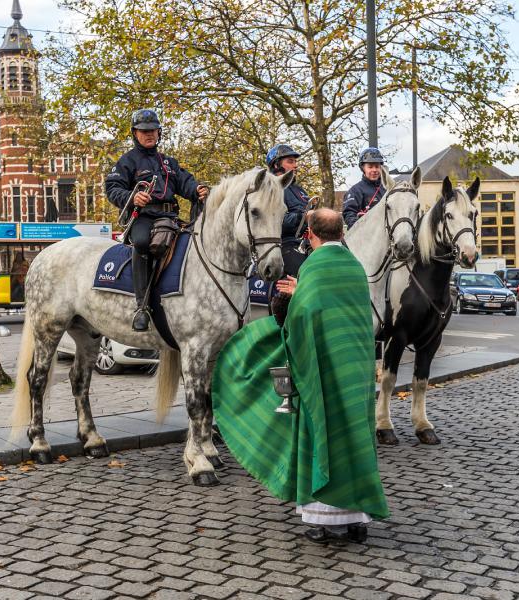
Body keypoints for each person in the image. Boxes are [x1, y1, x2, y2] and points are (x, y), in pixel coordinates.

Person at [212, 208, 388, 546]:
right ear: (342, 232)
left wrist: (296, 297)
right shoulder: (354, 267)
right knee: (354, 438)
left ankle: (326, 522)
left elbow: (303, 319)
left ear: (310, 235)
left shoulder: (314, 267)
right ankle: (357, 521)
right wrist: (303, 289)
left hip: (321, 372)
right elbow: (345, 310)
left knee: (322, 432)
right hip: (354, 372)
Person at [105, 108, 208, 331]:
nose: (149, 134)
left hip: (170, 217)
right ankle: (142, 306)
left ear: (159, 132)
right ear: (135, 133)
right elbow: (113, 188)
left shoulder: (168, 162)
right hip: (144, 218)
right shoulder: (127, 161)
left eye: (152, 130)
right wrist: (132, 197)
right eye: (144, 131)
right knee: (142, 243)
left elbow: (185, 182)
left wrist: (197, 190)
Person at [266, 144, 312, 278]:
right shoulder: (271, 189)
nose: (295, 165)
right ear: (276, 165)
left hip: (309, 241)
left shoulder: (300, 190)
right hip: (285, 244)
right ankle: (281, 298)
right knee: (305, 274)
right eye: (290, 161)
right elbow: (275, 220)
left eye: (296, 161)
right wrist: (303, 217)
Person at [342, 148, 386, 229]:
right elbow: (349, 214)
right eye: (370, 167)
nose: (374, 170)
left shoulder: (387, 189)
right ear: (363, 168)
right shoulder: (355, 191)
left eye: (377, 166)